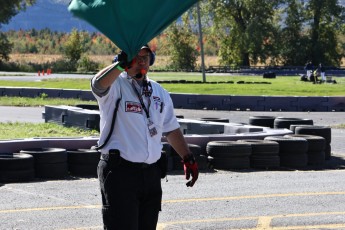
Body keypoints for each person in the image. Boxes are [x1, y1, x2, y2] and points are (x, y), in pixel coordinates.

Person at [91, 44, 199, 230]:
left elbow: (171, 129)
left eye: (145, 58)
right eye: (136, 57)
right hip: (120, 173)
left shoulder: (159, 92)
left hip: (151, 175)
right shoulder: (115, 85)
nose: (141, 61)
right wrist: (119, 66)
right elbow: (97, 85)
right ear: (125, 60)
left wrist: (187, 157)